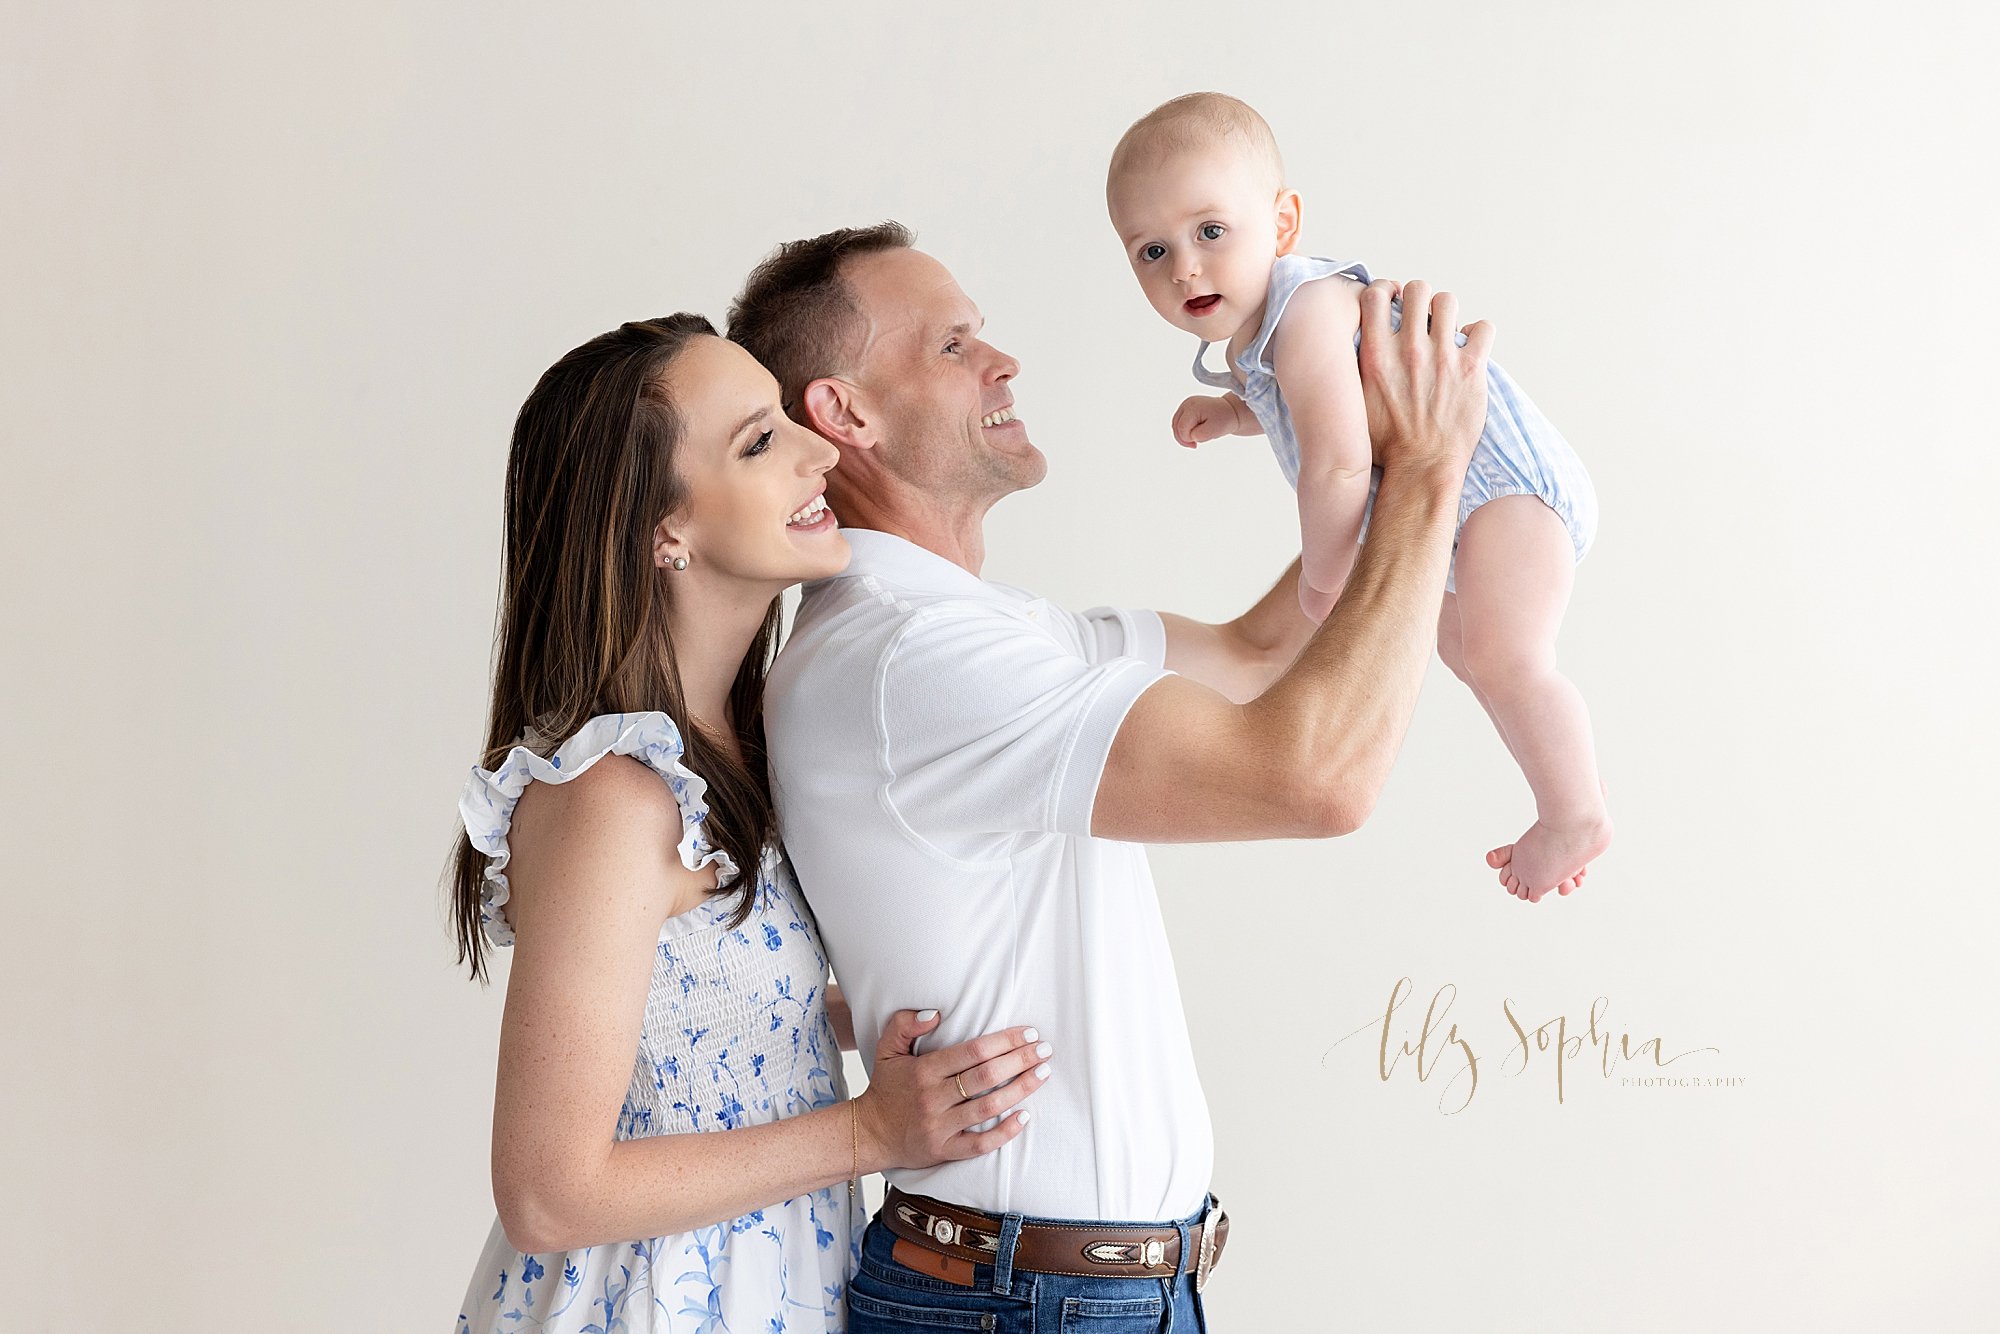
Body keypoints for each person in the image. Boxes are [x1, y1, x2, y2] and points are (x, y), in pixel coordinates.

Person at [727, 222, 1495, 1330]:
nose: (1002, 363)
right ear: (845, 414)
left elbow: (1260, 653)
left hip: (1072, 1291)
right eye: (952, 346)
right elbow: (1315, 776)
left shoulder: (984, 633)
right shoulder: (908, 660)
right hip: (1028, 1301)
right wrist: (1426, 470)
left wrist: (1360, 442)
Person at [444, 313, 1053, 1333]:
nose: (821, 449)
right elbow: (548, 1192)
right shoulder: (611, 799)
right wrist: (865, 1129)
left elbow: (674, 1023)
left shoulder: (743, 744)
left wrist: (833, 1018)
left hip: (766, 1284)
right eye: (760, 440)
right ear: (660, 530)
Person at [1106, 92, 1609, 903]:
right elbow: (1305, 412)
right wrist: (1236, 413)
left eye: (1209, 232)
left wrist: (1327, 577)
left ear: (1284, 222)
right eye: (1151, 252)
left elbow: (1337, 462)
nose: (1185, 268)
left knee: (1508, 657)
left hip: (1502, 488)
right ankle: (1559, 796)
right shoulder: (1258, 344)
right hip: (1455, 514)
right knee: (1459, 650)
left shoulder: (1304, 312)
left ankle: (1576, 812)